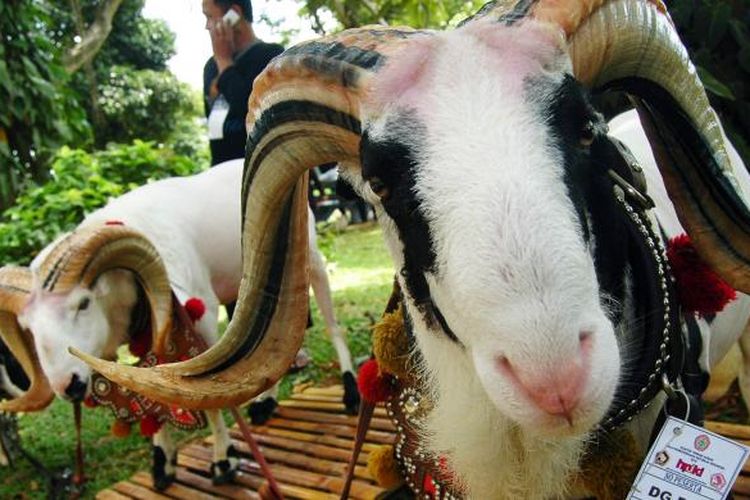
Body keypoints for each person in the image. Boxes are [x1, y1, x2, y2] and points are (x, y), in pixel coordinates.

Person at [202, 0, 284, 165]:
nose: (206, 26)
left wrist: (224, 62)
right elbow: (212, 122)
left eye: (209, 16)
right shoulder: (211, 66)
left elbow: (250, 111)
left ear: (234, 13)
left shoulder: (272, 56)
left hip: (261, 169)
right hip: (221, 170)